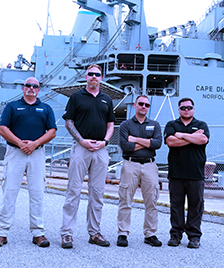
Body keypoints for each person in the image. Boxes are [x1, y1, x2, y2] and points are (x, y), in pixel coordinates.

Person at [0, 77, 57, 248]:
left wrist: (35, 144)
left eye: (35, 86)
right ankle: (2, 233)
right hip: (15, 152)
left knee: (37, 193)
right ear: (23, 88)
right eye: (28, 85)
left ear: (38, 90)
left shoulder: (46, 108)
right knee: (9, 192)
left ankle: (38, 233)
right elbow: (3, 129)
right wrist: (20, 143)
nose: (31, 88)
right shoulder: (12, 106)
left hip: (37, 153)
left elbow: (52, 131)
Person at [60, 64, 115, 248]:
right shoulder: (76, 97)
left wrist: (105, 142)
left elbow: (110, 124)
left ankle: (95, 233)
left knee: (97, 193)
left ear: (101, 77)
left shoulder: (106, 99)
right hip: (81, 147)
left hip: (100, 149)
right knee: (73, 190)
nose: (93, 77)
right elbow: (69, 121)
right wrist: (81, 140)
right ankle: (67, 233)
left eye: (97, 74)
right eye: (90, 74)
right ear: (86, 76)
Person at [116, 95, 162, 248]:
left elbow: (157, 144)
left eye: (147, 105)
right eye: (141, 104)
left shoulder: (154, 124)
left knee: (151, 201)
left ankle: (150, 234)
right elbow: (125, 146)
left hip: (149, 165)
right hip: (130, 165)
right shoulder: (125, 124)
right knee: (125, 199)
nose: (144, 106)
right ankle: (123, 233)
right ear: (135, 105)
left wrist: (134, 139)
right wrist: (147, 143)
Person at [164, 97, 209, 249]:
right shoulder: (171, 124)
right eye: (183, 108)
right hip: (176, 173)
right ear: (179, 110)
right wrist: (193, 138)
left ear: (193, 109)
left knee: (196, 206)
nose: (186, 110)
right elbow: (170, 142)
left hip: (195, 174)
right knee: (176, 206)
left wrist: (181, 135)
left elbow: (203, 140)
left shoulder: (201, 124)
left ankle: (194, 236)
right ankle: (175, 235)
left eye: (189, 107)